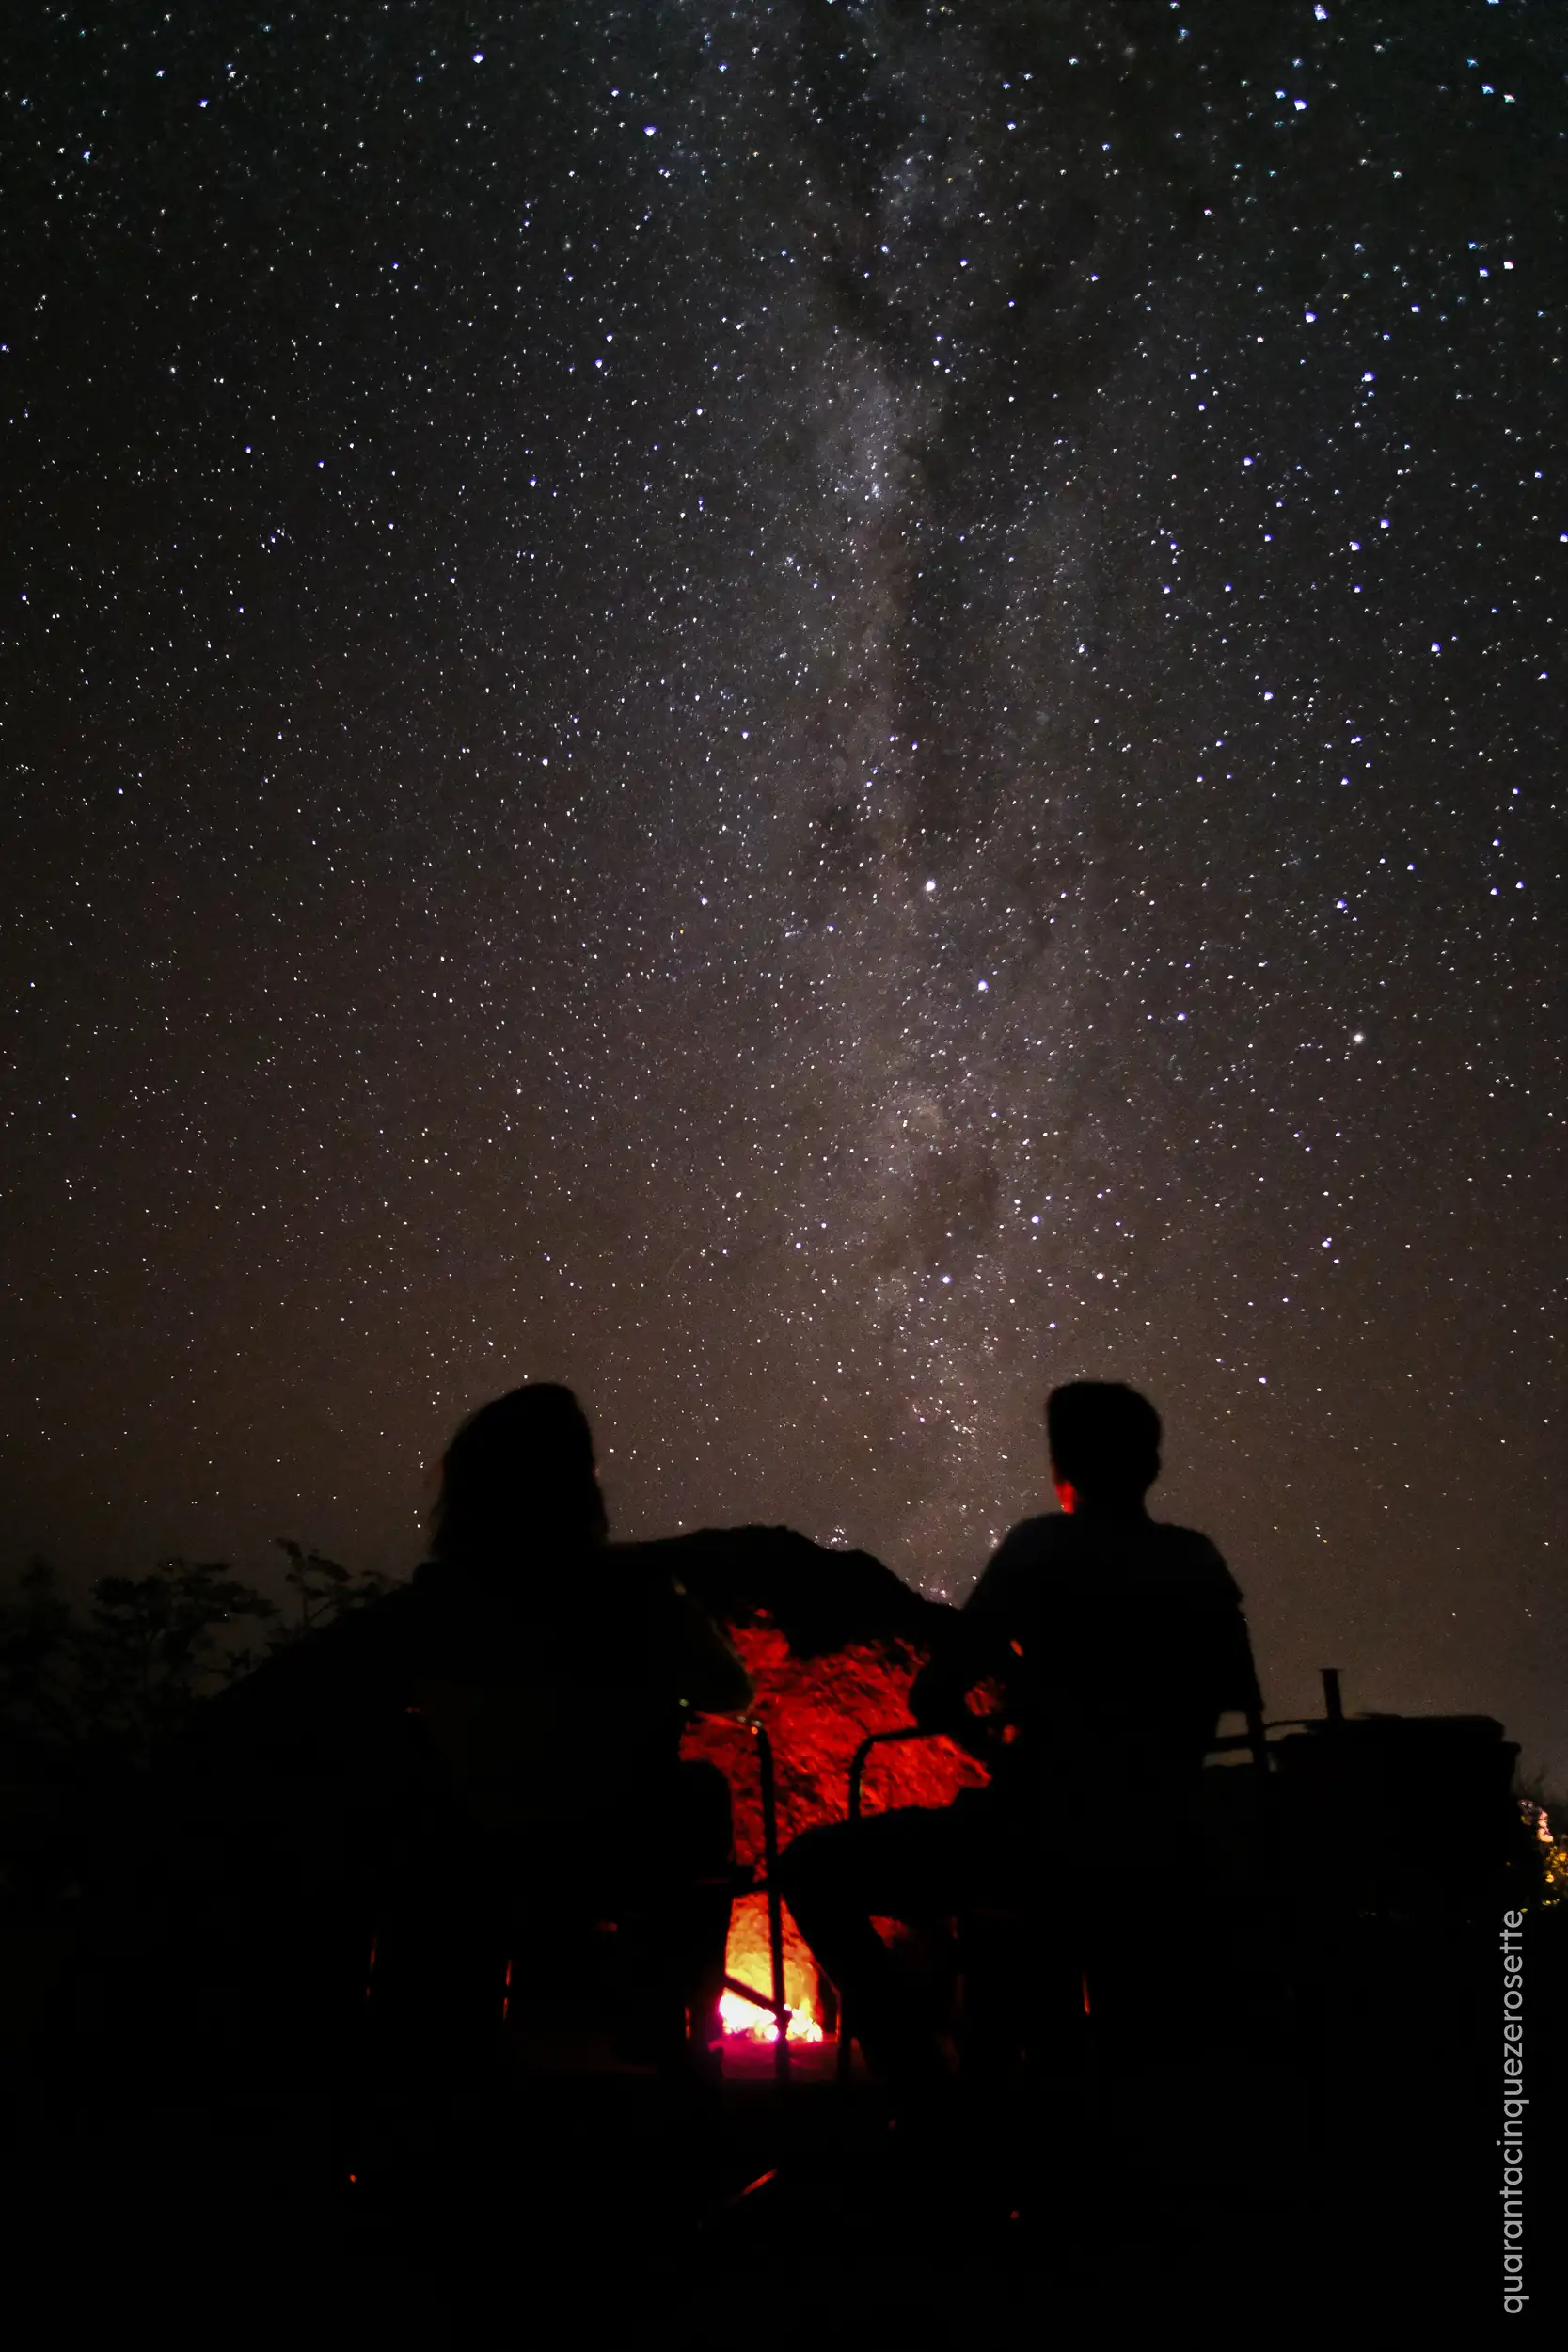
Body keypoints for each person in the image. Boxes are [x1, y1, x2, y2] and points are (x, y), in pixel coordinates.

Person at [778, 1379, 1261, 2098]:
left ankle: (924, 2090)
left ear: (1061, 1467)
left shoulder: (1041, 1546)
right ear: (1150, 1465)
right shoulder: (1197, 1559)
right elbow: (1240, 1698)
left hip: (1035, 1836)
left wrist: (1002, 1756)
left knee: (814, 1866)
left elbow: (933, 1694)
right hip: (1162, 1841)